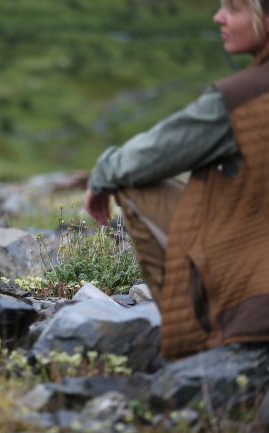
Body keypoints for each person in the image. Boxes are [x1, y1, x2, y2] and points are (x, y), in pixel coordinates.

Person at [84, 0, 269, 359]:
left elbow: (149, 156)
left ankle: (197, 339)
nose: (218, 18)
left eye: (233, 9)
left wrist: (103, 173)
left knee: (133, 183)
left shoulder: (240, 97)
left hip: (257, 305)